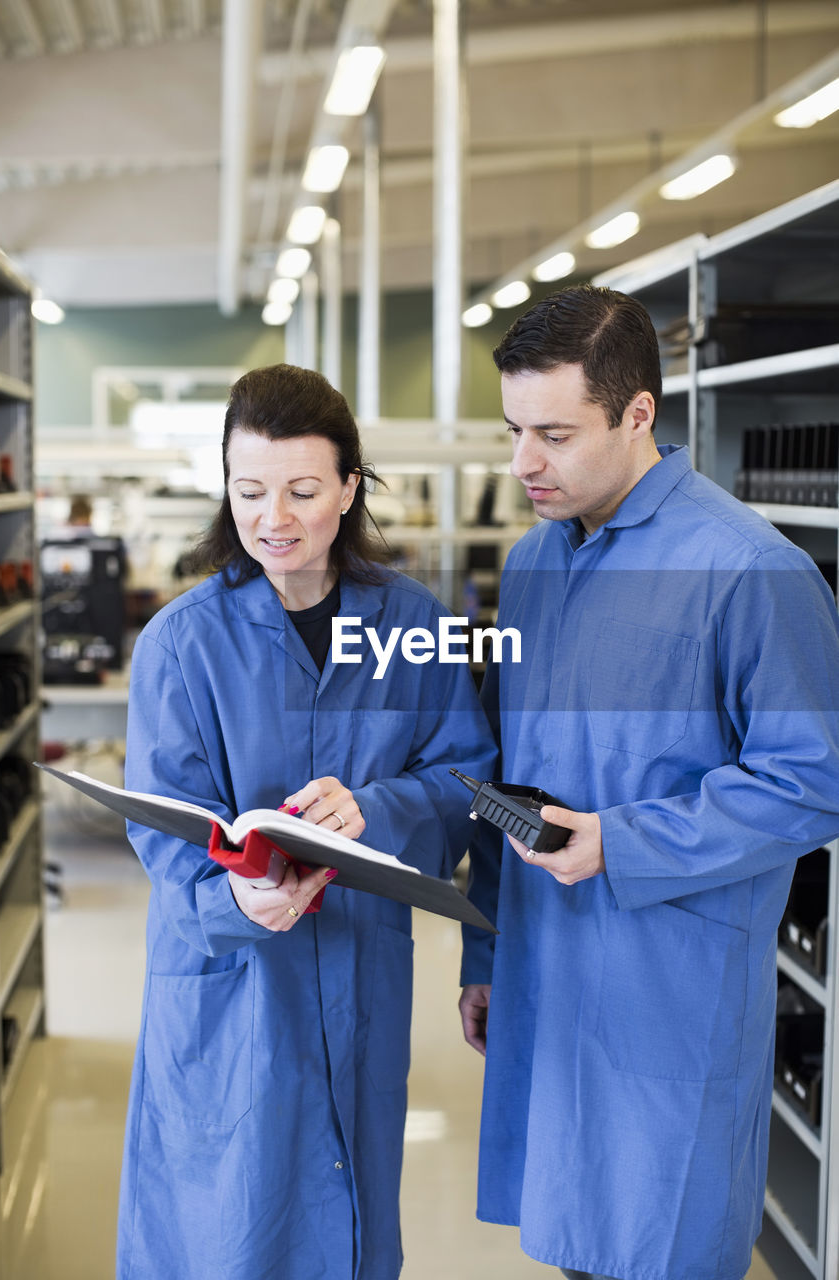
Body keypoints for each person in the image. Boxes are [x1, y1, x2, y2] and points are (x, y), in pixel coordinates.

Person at [458, 284, 839, 1280]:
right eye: (513, 430)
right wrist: (481, 948)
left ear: (637, 414)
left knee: (657, 1240)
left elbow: (813, 778)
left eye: (552, 432)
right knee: (578, 1242)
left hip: (667, 986)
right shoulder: (536, 565)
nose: (522, 463)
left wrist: (622, 842)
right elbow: (513, 775)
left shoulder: (751, 568)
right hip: (547, 963)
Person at [117, 364, 496, 1280]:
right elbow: (161, 821)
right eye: (248, 491)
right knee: (223, 1228)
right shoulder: (182, 641)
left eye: (301, 490)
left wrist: (381, 806)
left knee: (349, 1219)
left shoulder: (412, 623)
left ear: (349, 488)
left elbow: (469, 778)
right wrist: (237, 899)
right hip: (231, 977)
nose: (272, 518)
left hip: (361, 966)